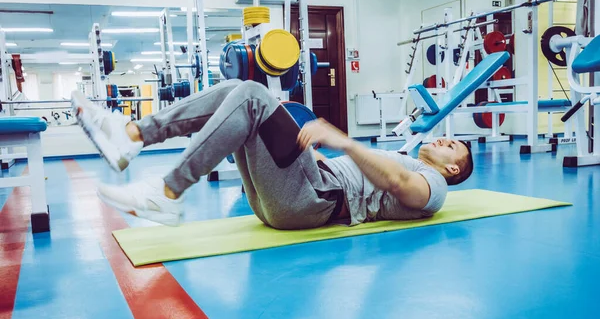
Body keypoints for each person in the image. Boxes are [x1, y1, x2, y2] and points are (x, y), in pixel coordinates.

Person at [71, 79, 473, 229]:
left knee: (251, 94)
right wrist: (318, 156)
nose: (440, 140)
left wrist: (345, 141)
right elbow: (365, 179)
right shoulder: (411, 158)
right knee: (237, 92)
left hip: (311, 203)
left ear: (453, 168)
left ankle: (166, 190)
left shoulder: (435, 186)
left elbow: (401, 186)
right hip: (300, 192)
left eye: (450, 145)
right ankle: (133, 134)